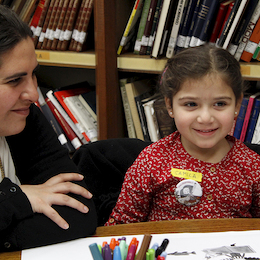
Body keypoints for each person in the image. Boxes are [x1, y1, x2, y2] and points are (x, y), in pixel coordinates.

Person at [105, 44, 260, 226]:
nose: (205, 118)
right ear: (170, 106)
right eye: (191, 104)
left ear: (237, 105)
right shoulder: (151, 161)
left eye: (219, 104)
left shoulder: (252, 167)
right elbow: (121, 226)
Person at [0, 5, 97, 251]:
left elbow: (78, 213)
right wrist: (18, 199)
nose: (34, 94)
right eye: (14, 80)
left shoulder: (24, 116)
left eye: (34, 74)